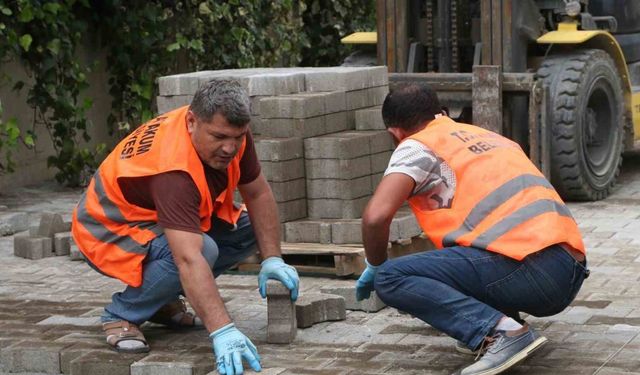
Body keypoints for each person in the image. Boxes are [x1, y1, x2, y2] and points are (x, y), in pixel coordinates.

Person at [355, 83, 589, 375]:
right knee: (458, 251)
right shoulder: (487, 136)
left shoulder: (418, 146)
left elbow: (375, 217)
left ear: (395, 133)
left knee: (392, 277)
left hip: (531, 270)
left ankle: (502, 333)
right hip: (568, 269)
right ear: (441, 113)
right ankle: (505, 320)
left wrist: (375, 266)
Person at [72, 78, 299, 375]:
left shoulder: (229, 132)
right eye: (219, 137)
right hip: (108, 228)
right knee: (201, 251)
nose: (230, 148)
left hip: (156, 217)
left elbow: (257, 192)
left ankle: (161, 302)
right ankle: (122, 314)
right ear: (192, 121)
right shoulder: (173, 173)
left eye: (238, 137)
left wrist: (272, 258)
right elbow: (189, 258)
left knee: (246, 228)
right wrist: (222, 330)